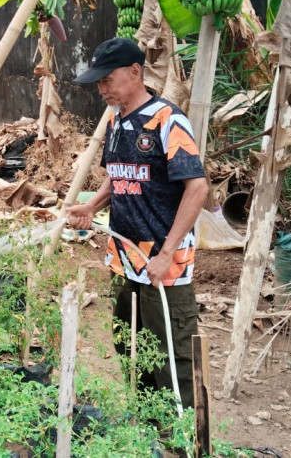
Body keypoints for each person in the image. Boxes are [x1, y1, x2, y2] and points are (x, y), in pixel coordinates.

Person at [67, 37, 209, 408]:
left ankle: (184, 440)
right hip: (125, 259)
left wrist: (166, 253)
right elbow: (119, 176)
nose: (101, 89)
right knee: (131, 348)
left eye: (106, 80)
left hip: (164, 264)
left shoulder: (168, 120)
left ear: (135, 72)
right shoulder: (116, 121)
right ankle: (150, 431)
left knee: (172, 359)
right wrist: (92, 206)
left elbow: (197, 189)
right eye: (98, 83)